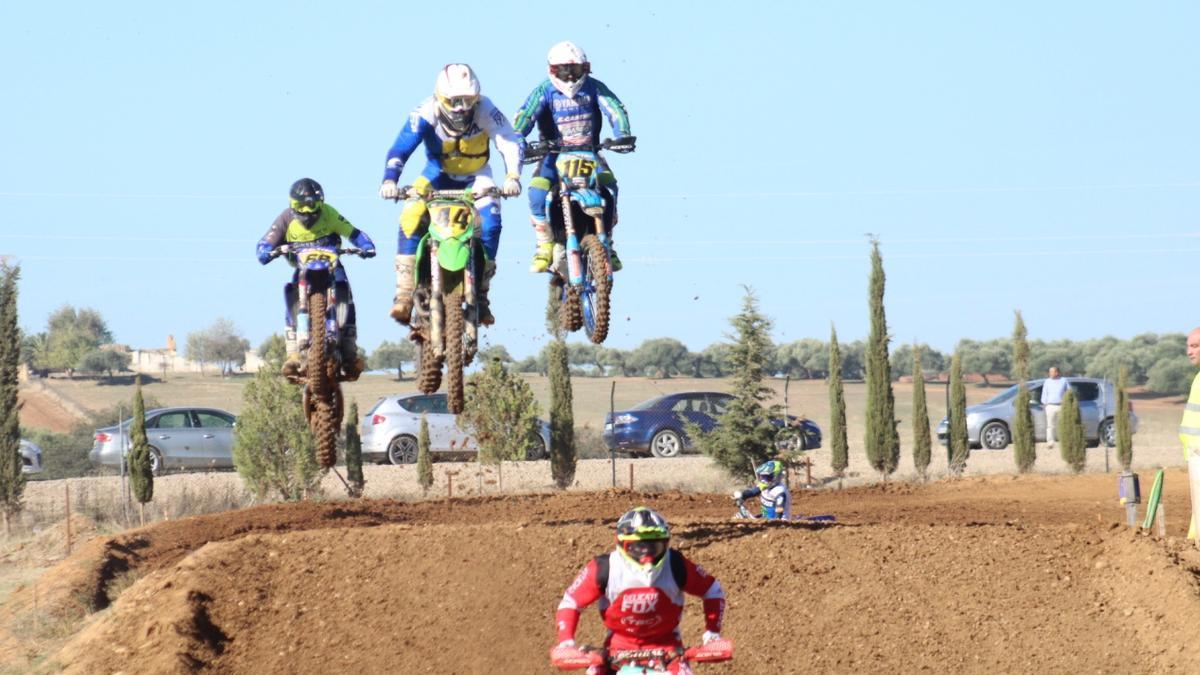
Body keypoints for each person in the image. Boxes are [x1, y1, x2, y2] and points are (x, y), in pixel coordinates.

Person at [379, 64, 524, 327]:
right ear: (441, 97)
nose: (460, 108)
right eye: (454, 101)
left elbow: (508, 139)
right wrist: (390, 180)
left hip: (477, 175)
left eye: (467, 100)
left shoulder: (486, 110)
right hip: (436, 174)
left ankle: (481, 293)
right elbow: (401, 147)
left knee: (491, 221)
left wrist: (512, 176)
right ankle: (403, 294)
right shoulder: (425, 111)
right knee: (411, 214)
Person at [512, 41, 634, 274]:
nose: (569, 77)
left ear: (585, 68)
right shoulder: (544, 91)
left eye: (575, 70)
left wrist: (622, 135)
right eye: (564, 70)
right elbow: (524, 117)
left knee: (610, 187)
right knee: (537, 190)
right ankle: (544, 245)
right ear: (552, 70)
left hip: (590, 152)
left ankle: (607, 240)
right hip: (553, 155)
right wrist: (518, 141)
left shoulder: (595, 88)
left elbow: (615, 108)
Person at [554, 507, 725, 673]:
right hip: (615, 653)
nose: (647, 555)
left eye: (654, 546)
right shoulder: (604, 568)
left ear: (665, 543)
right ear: (622, 544)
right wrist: (566, 643)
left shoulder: (675, 564)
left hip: (669, 652)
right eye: (638, 547)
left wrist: (712, 634)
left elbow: (712, 590)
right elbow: (571, 601)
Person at [256, 178, 376, 380]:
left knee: (345, 292)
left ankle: (350, 352)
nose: (306, 210)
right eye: (300, 205)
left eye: (311, 204)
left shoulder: (329, 214)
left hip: (331, 265)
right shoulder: (285, 219)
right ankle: (293, 354)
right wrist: (267, 251)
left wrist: (366, 245)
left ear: (320, 203)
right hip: (303, 268)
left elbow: (353, 232)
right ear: (291, 204)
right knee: (291, 295)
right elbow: (265, 242)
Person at [1181, 328, 1200, 539]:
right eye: (1188, 346)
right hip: (1194, 453)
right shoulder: (1198, 377)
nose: (1189, 351)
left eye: (1195, 346)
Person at [1040, 366, 1070, 448]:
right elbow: (1044, 393)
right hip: (1050, 406)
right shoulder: (1047, 382)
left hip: (1061, 406)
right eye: (1049, 372)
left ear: (1057, 372)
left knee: (1062, 425)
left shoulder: (1064, 381)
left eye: (1052, 372)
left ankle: (1064, 442)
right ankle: (1050, 442)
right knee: (1050, 425)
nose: (1050, 373)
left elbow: (1069, 392)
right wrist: (1044, 404)